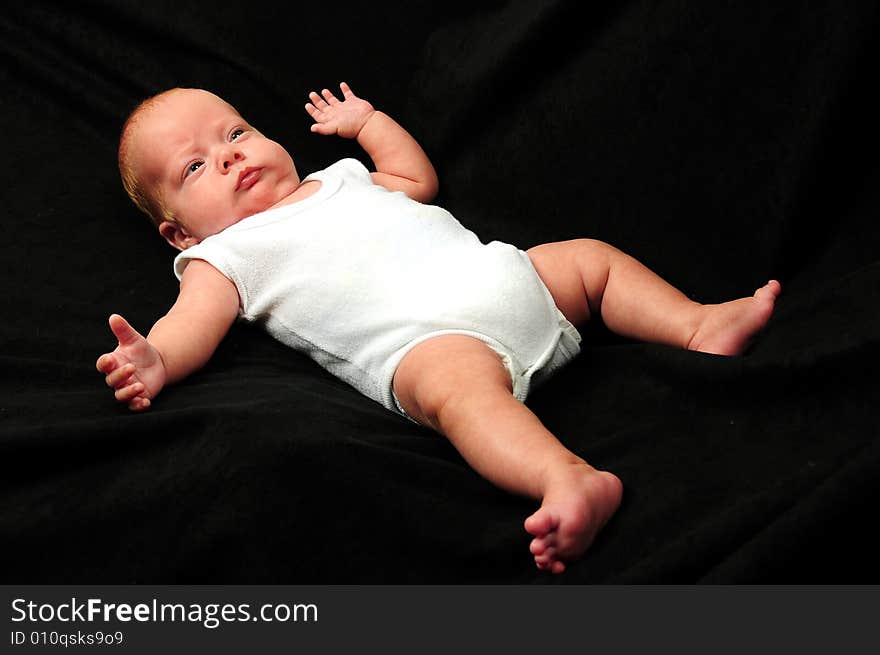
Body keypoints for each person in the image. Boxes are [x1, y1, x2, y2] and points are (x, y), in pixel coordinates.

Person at [97, 83, 781, 574]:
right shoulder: (223, 255)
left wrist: (368, 123)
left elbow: (413, 178)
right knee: (459, 395)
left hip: (508, 277)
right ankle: (566, 477)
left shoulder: (339, 179)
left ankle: (697, 324)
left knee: (586, 260)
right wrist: (156, 357)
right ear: (178, 232)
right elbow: (194, 322)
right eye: (194, 166)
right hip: (432, 342)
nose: (228, 155)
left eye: (235, 132)